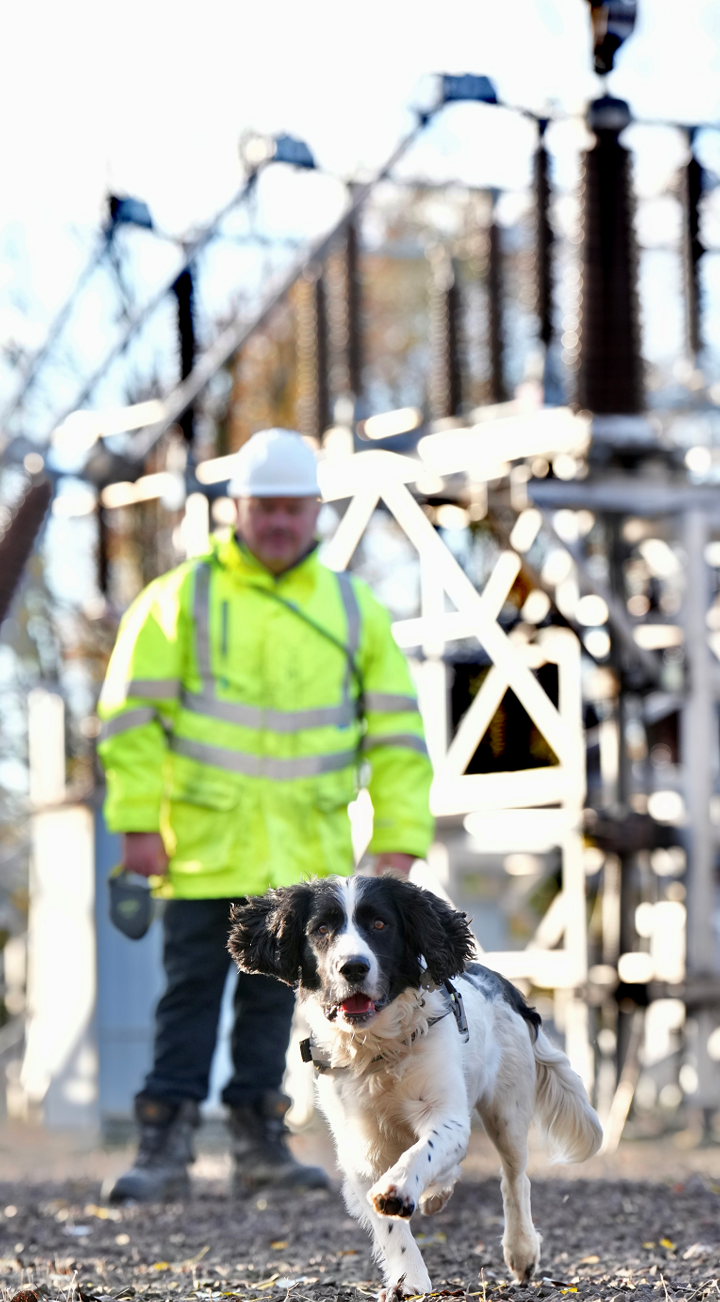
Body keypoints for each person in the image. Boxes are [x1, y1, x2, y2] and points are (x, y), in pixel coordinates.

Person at [95, 428, 434, 1203]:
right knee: (187, 996)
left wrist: (398, 840)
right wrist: (136, 824)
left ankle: (258, 1142)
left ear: (314, 510)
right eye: (264, 508)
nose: (279, 521)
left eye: (292, 508)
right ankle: (164, 1143)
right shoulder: (178, 600)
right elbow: (129, 724)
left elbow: (396, 736)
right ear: (237, 510)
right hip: (200, 851)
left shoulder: (352, 610)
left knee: (268, 1007)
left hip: (301, 870)